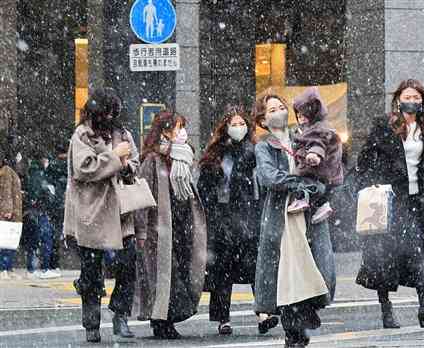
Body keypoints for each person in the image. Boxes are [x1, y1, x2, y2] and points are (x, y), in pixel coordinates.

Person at [355, 79, 424, 329]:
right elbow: (364, 160)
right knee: (383, 257)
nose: (413, 101)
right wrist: (373, 183)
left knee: (419, 249)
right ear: (398, 99)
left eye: (417, 98)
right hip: (390, 201)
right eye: (408, 96)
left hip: (418, 201)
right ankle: (386, 309)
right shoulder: (384, 127)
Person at [253, 94, 336, 348]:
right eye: (272, 110)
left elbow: (324, 168)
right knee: (287, 272)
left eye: (281, 107)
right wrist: (299, 183)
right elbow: (269, 177)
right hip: (282, 215)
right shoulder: (264, 146)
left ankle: (305, 317)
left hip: (308, 211)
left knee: (313, 267)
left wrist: (314, 187)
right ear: (263, 119)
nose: (278, 112)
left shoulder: (303, 136)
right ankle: (293, 329)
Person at [64, 87, 141, 343]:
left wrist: (127, 164)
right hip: (92, 210)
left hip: (121, 210)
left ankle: (121, 313)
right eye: (106, 112)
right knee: (91, 270)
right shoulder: (82, 135)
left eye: (113, 112)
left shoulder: (123, 133)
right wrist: (115, 157)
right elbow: (84, 169)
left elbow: (134, 163)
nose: (110, 117)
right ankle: (92, 323)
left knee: (129, 261)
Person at [197, 106, 279, 336]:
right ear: (225, 128)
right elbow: (205, 189)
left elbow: (262, 185)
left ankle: (263, 313)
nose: (238, 128)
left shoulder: (254, 152)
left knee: (255, 267)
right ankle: (223, 318)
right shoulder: (215, 155)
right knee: (223, 271)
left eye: (242, 124)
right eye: (233, 124)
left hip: (249, 218)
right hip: (223, 220)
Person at [134, 110, 207, 339]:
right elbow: (142, 198)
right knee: (165, 276)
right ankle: (161, 322)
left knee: (180, 273)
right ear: (165, 131)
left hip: (182, 225)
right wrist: (142, 229)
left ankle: (167, 319)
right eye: (178, 127)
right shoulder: (152, 160)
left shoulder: (182, 159)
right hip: (160, 229)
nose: (183, 132)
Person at [288, 87, 343, 224]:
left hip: (319, 169)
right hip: (328, 173)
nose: (300, 118)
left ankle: (303, 199)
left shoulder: (319, 129)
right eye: (298, 115)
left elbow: (318, 143)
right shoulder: (318, 128)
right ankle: (322, 204)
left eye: (303, 114)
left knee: (309, 184)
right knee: (319, 189)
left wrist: (314, 155)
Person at [24, 155, 60, 279]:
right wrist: (47, 194)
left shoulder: (34, 173)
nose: (47, 163)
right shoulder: (38, 174)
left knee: (33, 241)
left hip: (33, 212)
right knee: (45, 239)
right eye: (46, 160)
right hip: (39, 212)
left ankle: (32, 269)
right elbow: (37, 192)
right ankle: (44, 268)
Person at [0, 145, 23, 280]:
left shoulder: (7, 171)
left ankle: (6, 268)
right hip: (9, 213)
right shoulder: (7, 172)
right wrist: (8, 210)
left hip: (10, 212)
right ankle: (5, 268)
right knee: (7, 241)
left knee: (8, 241)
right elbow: (7, 192)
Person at [46, 143, 69, 272]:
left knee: (53, 234)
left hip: (55, 204)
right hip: (65, 204)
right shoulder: (69, 164)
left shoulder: (53, 165)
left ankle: (53, 263)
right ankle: (56, 263)